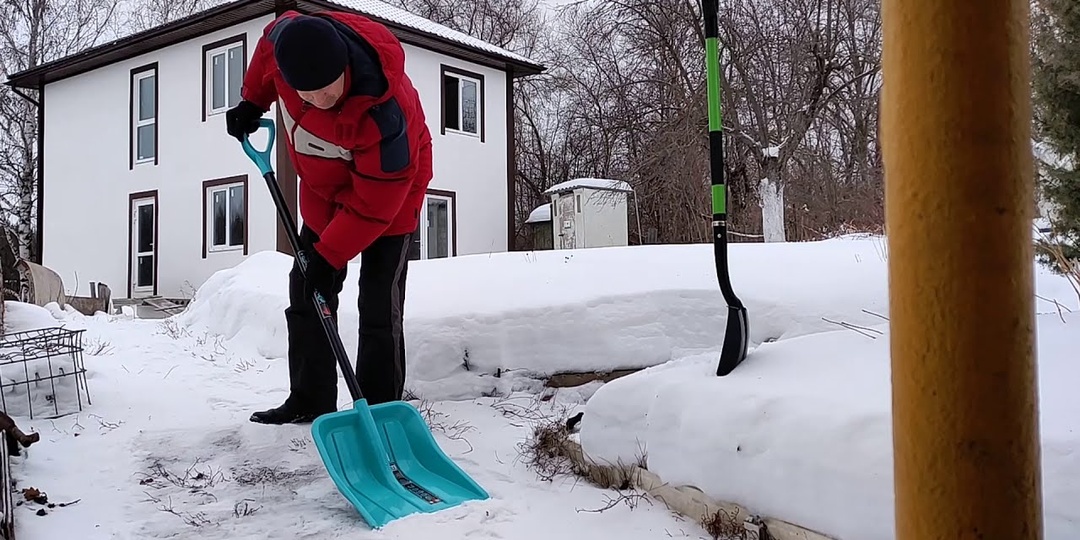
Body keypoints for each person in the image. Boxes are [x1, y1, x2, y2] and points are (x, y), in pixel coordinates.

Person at [224, 10, 432, 424]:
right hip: (324, 191)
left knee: (378, 304)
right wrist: (252, 100)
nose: (318, 100)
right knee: (306, 292)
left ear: (345, 68)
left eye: (326, 89)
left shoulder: (385, 112)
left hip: (391, 198)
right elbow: (268, 49)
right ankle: (310, 397)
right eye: (307, 92)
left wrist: (330, 254)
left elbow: (376, 202)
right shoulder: (286, 44)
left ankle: (380, 411)